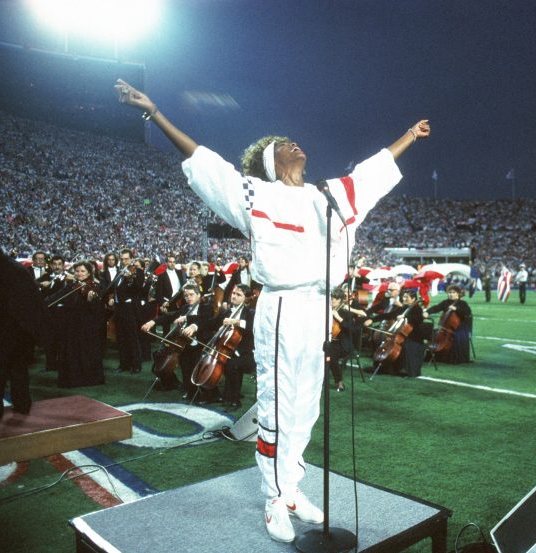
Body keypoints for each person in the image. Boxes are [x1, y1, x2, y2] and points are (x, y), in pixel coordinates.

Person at [115, 78, 429, 543]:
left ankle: (294, 488)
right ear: (270, 161)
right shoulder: (255, 195)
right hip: (280, 305)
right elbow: (205, 164)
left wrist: (409, 135)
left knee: (306, 406)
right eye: (284, 146)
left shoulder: (329, 195)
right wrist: (154, 113)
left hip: (319, 307)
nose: (294, 145)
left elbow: (370, 174)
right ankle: (274, 498)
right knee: (277, 404)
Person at [0, 242, 50, 419]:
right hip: (24, 330)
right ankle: (22, 405)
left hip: (2, 329)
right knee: (19, 368)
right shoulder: (16, 268)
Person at [204, 284, 255, 410]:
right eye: (233, 293)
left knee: (232, 365)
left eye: (239, 295)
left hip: (245, 353)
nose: (234, 296)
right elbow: (211, 323)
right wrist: (196, 324)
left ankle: (234, 399)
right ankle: (213, 393)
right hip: (227, 349)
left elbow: (252, 328)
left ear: (246, 298)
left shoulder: (250, 313)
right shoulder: (226, 311)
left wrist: (236, 322)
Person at [59, 260, 105, 388]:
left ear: (89, 273)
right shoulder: (71, 286)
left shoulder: (96, 286)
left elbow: (99, 309)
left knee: (86, 351)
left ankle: (89, 379)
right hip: (72, 324)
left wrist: (91, 300)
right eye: (77, 271)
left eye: (83, 271)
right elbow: (57, 297)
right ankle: (73, 378)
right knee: (72, 351)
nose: (79, 274)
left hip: (87, 325)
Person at [365, 289, 428, 377]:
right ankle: (381, 366)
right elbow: (389, 315)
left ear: (413, 299)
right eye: (404, 297)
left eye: (407, 297)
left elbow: (418, 319)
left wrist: (405, 316)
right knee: (382, 340)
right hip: (403, 335)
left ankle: (397, 368)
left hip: (414, 337)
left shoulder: (417, 309)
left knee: (402, 346)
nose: (404, 299)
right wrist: (372, 319)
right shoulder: (404, 308)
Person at [426, 284, 473, 364]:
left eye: (453, 292)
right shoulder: (446, 302)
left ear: (458, 293)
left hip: (461, 327)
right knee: (433, 333)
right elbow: (436, 308)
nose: (451, 294)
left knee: (456, 336)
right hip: (447, 328)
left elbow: (467, 313)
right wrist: (427, 312)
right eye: (449, 292)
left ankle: (455, 358)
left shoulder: (462, 303)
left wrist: (456, 309)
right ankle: (435, 354)